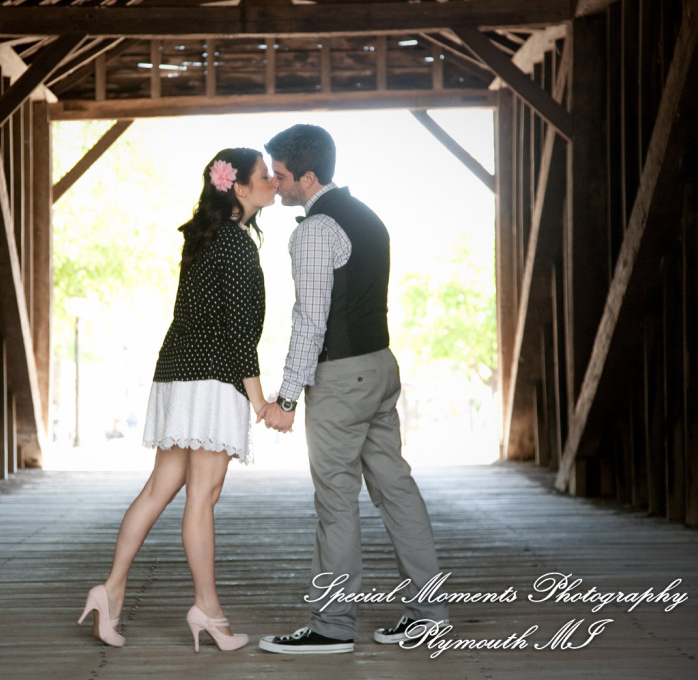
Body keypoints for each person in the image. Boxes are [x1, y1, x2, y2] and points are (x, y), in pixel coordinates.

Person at [256, 125, 449, 654]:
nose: (275, 183)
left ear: (307, 177)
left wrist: (287, 397)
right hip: (381, 367)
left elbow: (310, 320)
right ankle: (430, 615)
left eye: (281, 175)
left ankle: (331, 626)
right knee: (397, 491)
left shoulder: (315, 231)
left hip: (341, 379)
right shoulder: (368, 217)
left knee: (336, 501)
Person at [79, 147, 276, 652]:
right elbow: (239, 333)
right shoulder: (236, 245)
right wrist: (259, 401)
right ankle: (208, 609)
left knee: (158, 489)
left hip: (176, 373)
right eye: (265, 175)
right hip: (211, 381)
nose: (274, 181)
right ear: (239, 188)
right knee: (202, 496)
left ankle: (111, 590)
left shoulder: (203, 238)